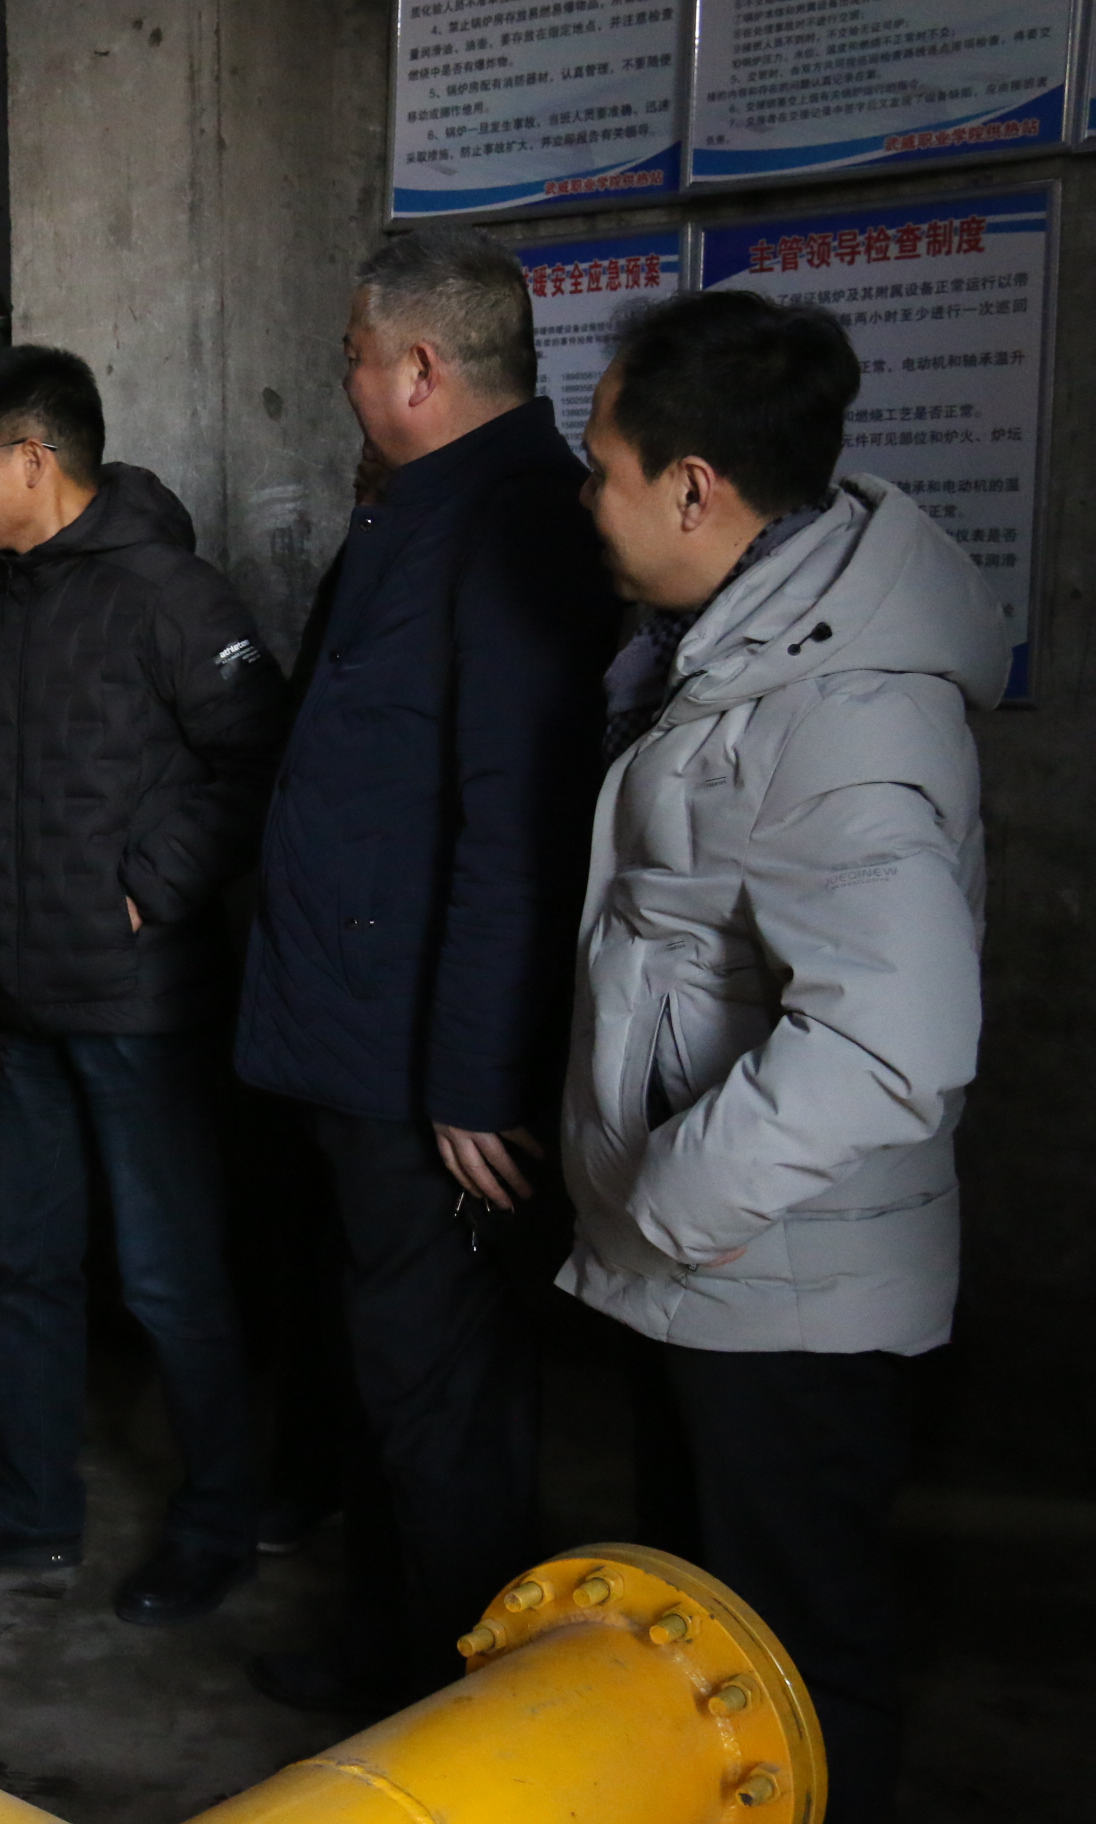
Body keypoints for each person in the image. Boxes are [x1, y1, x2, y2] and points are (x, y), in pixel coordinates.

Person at [565, 289, 1000, 1824]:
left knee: (795, 1670)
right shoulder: (733, 648)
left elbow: (893, 1035)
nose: (587, 497)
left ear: (695, 488)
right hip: (729, 1278)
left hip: (779, 1289)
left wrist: (672, 1199)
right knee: (712, 1661)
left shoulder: (839, 707)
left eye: (604, 466)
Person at [235, 228, 617, 1708]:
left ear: (416, 367)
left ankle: (459, 1713)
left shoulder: (517, 525)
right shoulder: (427, 507)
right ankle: (386, 1659)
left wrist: (472, 1081)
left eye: (350, 356)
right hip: (362, 1047)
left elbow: (515, 825)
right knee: (386, 1380)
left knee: (444, 1402)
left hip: (425, 1078)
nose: (341, 380)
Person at [0, 345, 288, 1628]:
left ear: (32, 457)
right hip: (22, 1007)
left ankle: (217, 1526)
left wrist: (147, 888)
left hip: (140, 1010)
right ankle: (31, 1514)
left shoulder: (169, 596)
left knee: (171, 1282)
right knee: (24, 1272)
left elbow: (261, 761)